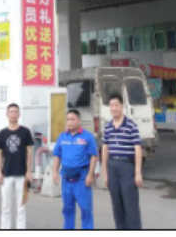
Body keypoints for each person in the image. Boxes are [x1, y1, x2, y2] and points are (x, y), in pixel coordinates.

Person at [102, 93, 143, 230]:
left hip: (127, 167)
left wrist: (137, 173)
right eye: (111, 106)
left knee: (131, 205)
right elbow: (105, 149)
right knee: (117, 206)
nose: (114, 108)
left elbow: (138, 149)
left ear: (122, 106)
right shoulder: (107, 127)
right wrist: (105, 173)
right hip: (112, 168)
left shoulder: (131, 125)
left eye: (116, 105)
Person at [53, 109, 98, 230]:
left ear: (79, 120)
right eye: (68, 119)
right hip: (66, 178)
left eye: (73, 119)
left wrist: (90, 175)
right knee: (67, 209)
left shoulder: (87, 137)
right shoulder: (62, 137)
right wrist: (55, 172)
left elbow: (94, 156)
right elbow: (57, 155)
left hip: (82, 178)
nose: (70, 122)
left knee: (86, 209)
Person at [0, 103, 34, 230]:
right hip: (6, 174)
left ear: (19, 114)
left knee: (21, 207)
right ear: (7, 114)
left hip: (21, 175)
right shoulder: (2, 133)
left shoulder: (25, 132)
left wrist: (28, 171)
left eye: (15, 111)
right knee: (5, 207)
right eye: (11, 112)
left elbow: (29, 152)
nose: (13, 114)